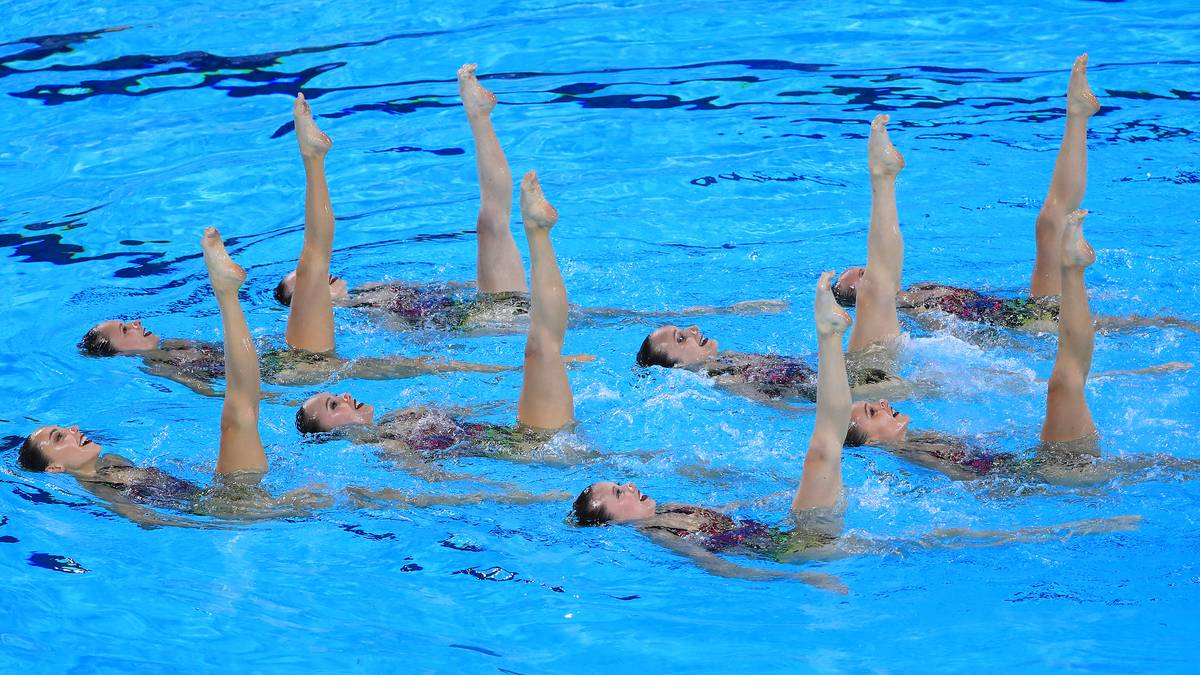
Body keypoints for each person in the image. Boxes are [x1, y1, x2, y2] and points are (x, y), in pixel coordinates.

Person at [574, 273, 1140, 584]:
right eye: (615, 495)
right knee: (835, 460)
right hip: (791, 548)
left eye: (616, 483)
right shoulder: (657, 532)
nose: (627, 486)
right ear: (611, 524)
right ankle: (1068, 529)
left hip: (790, 533)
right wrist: (792, 578)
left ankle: (1074, 528)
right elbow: (719, 564)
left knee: (923, 537)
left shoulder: (664, 509)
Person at [271, 64, 788, 333]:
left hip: (487, 303)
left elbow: (441, 296)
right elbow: (424, 344)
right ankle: (732, 312)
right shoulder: (352, 317)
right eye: (306, 282)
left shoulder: (373, 288)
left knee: (490, 223)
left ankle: (479, 114)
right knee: (608, 317)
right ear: (305, 301)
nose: (320, 274)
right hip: (492, 322)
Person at [79, 93, 510, 397]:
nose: (134, 323)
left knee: (321, 266)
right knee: (313, 263)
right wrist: (281, 402)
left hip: (293, 360)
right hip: (295, 370)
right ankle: (312, 160)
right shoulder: (161, 367)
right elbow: (231, 397)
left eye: (126, 322)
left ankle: (314, 159)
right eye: (123, 330)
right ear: (115, 353)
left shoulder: (173, 347)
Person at [831, 55, 1200, 335]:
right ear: (861, 299)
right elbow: (978, 342)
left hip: (1029, 307)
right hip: (1033, 322)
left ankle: (1077, 115)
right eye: (860, 277)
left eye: (862, 268)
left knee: (1050, 221)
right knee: (1144, 322)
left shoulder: (915, 292)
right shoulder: (910, 315)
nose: (869, 269)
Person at [19, 229, 315, 522]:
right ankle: (225, 294)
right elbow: (149, 520)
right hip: (225, 509)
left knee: (242, 410)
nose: (72, 429)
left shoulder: (110, 464)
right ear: (55, 469)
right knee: (238, 413)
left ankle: (226, 294)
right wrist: (242, 517)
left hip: (221, 494)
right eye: (59, 437)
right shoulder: (99, 488)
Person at [295, 171, 584, 467]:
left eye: (335, 396)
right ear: (331, 434)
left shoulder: (399, 417)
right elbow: (441, 487)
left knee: (539, 348)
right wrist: (534, 497)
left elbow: (484, 411)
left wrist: (532, 388)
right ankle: (537, 233)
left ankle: (538, 234)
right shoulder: (390, 448)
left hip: (530, 433)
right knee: (540, 348)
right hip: (540, 450)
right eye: (334, 405)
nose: (344, 395)